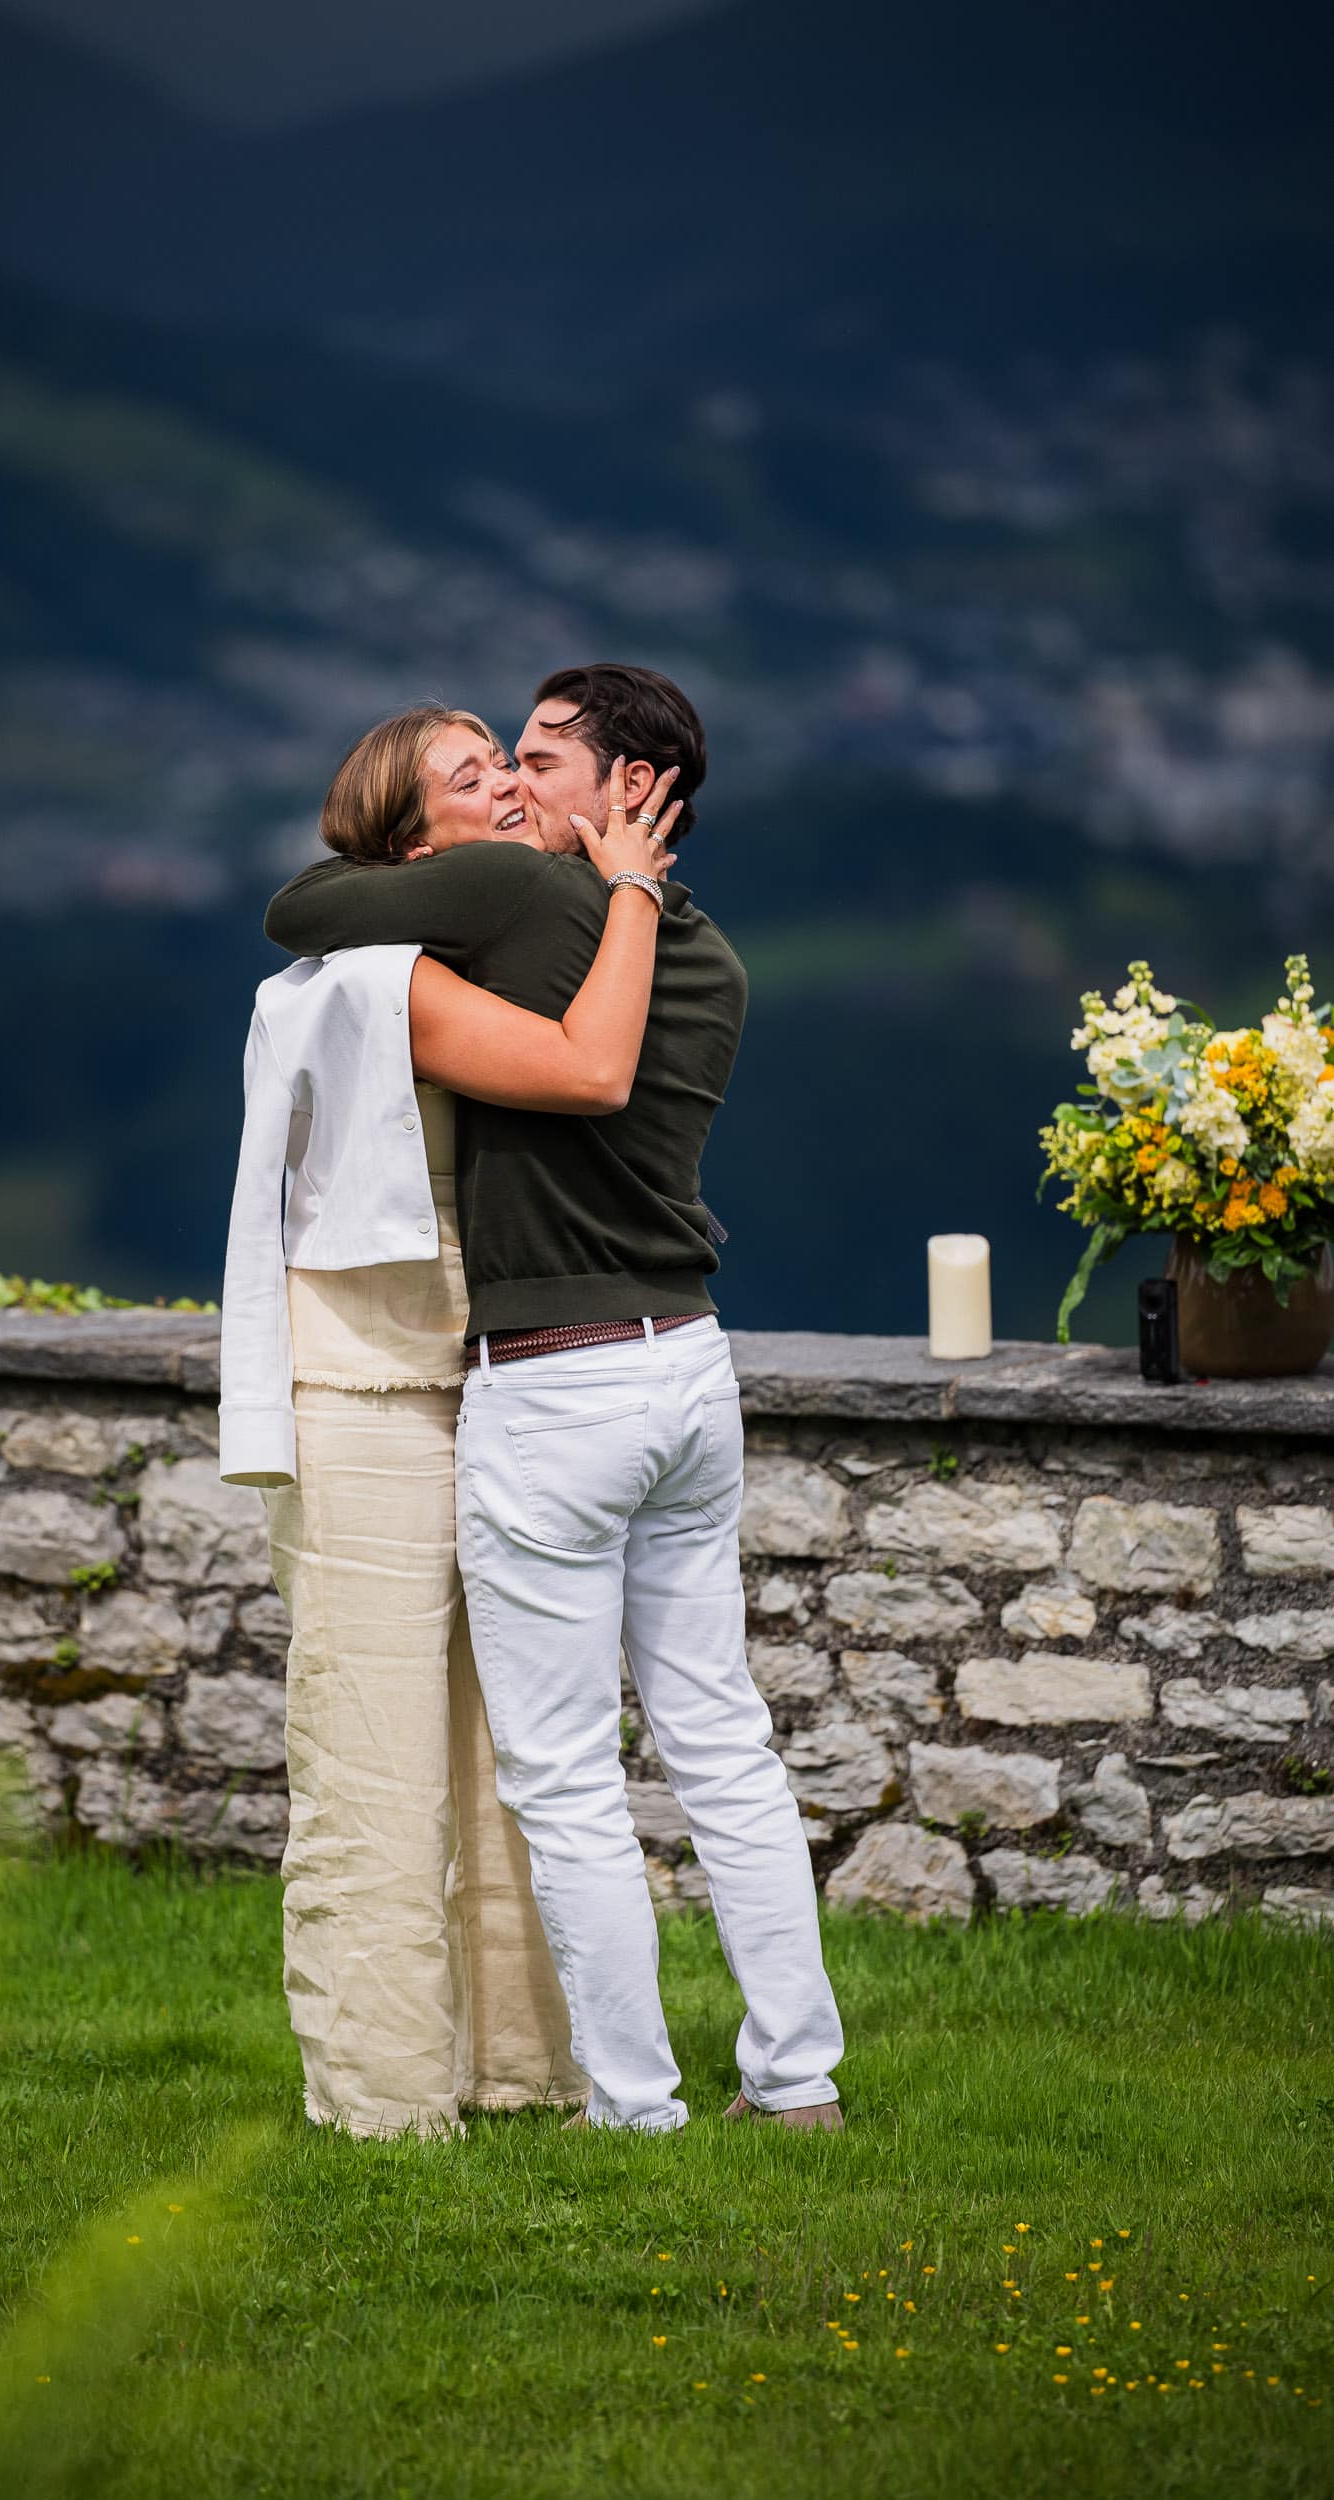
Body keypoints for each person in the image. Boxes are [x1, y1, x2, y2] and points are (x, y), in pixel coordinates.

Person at [264, 664, 845, 2135]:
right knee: (723, 1743)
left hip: (556, 1381)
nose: (517, 786)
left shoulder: (522, 900)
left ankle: (635, 2107)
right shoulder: (716, 960)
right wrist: (633, 886)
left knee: (569, 1775)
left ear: (631, 787)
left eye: (539, 758)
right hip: (691, 1367)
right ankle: (797, 2080)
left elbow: (304, 908)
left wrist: (524, 864)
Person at [219, 702, 685, 2139]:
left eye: (508, 764)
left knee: (507, 1751)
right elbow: (585, 1074)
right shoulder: (391, 981)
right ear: (417, 848)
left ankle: (520, 2068)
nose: (508, 789)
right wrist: (631, 891)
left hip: (488, 1379)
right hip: (369, 1388)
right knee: (372, 1752)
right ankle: (384, 2097)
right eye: (473, 778)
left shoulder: (479, 946)